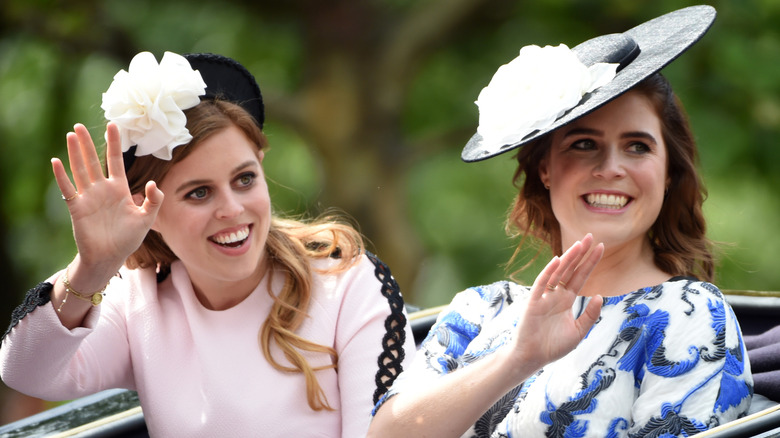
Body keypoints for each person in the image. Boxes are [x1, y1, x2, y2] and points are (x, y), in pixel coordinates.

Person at [369, 6, 752, 437]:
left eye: (638, 146)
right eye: (584, 143)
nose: (611, 168)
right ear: (545, 169)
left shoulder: (689, 313)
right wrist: (517, 359)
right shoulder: (479, 310)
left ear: (667, 175)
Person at [0, 51, 415, 437]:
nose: (232, 209)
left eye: (244, 179)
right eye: (199, 193)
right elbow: (25, 371)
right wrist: (93, 267)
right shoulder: (136, 301)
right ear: (149, 211)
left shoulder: (348, 283)